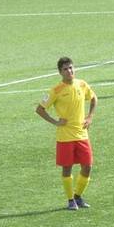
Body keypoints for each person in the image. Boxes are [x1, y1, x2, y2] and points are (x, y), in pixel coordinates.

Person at [35, 57, 97, 211]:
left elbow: (94, 98)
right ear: (60, 72)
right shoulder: (56, 90)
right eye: (65, 69)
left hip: (82, 135)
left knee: (87, 166)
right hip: (65, 137)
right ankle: (70, 200)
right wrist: (55, 122)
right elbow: (40, 109)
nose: (69, 71)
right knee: (67, 168)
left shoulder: (82, 84)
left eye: (71, 68)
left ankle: (78, 196)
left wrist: (90, 117)